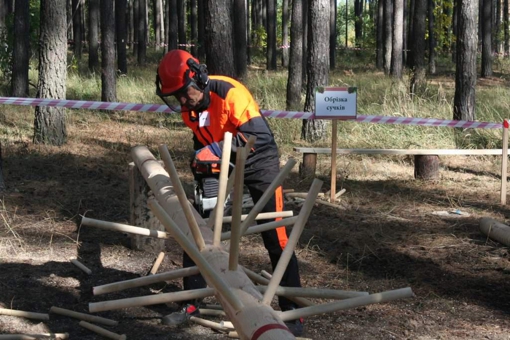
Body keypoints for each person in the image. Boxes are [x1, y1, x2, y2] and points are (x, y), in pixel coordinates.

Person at [155, 49, 304, 336]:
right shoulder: (190, 109)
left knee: (276, 236)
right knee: (195, 229)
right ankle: (191, 303)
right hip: (219, 166)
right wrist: (201, 158)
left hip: (258, 161)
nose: (183, 101)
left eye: (185, 93)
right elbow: (199, 137)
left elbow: (256, 136)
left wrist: (217, 149)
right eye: (176, 97)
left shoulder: (231, 93)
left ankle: (293, 314)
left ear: (198, 78)